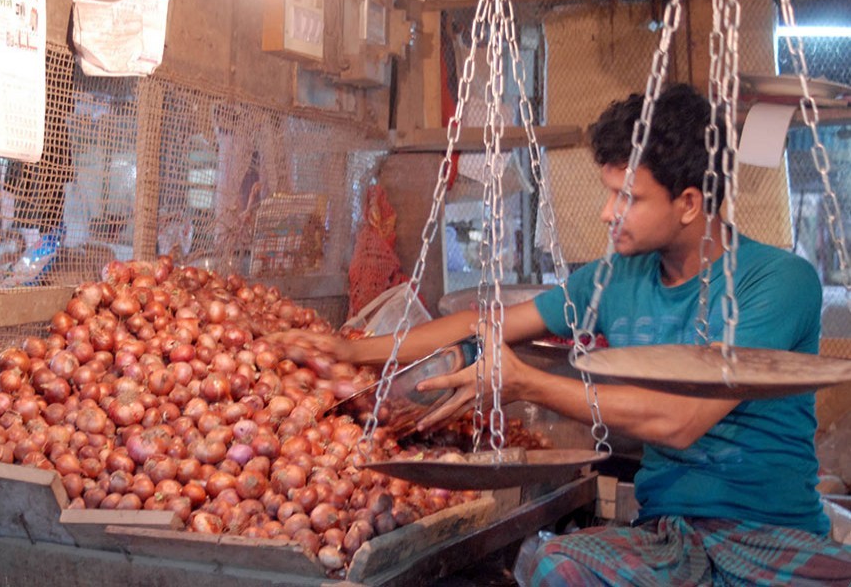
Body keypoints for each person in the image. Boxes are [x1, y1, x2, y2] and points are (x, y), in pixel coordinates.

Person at [275, 83, 851, 584]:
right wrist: (353, 350)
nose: (606, 213)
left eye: (627, 196)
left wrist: (527, 383)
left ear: (689, 204)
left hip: (771, 536)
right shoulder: (614, 278)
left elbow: (679, 422)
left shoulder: (779, 282)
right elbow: (487, 324)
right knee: (555, 566)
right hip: (667, 542)